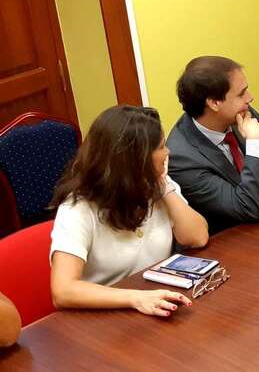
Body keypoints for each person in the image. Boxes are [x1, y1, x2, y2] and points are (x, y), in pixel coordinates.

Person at [50, 106, 208, 317]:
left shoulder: (157, 186)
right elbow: (63, 291)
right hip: (104, 316)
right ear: (137, 159)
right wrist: (135, 298)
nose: (168, 152)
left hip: (153, 304)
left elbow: (197, 237)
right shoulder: (77, 209)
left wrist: (164, 188)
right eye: (161, 147)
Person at [168, 56, 259, 233]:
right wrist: (257, 146)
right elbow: (246, 208)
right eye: (241, 93)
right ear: (214, 103)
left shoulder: (240, 113)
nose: (250, 98)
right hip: (232, 238)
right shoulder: (182, 159)